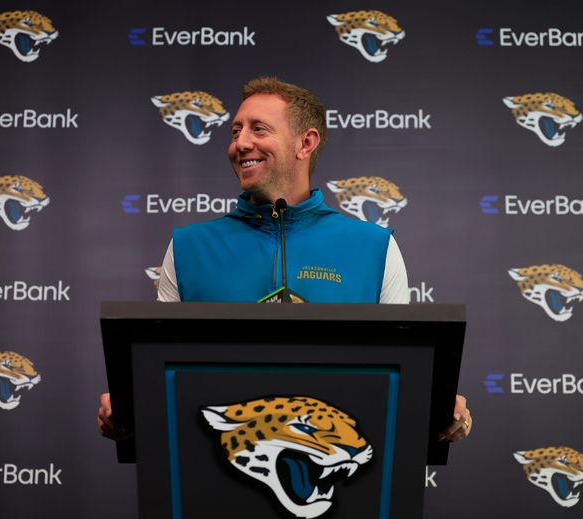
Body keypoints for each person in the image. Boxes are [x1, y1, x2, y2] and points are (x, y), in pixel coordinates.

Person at [98, 76, 472, 442]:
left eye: (258, 130)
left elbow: (403, 374)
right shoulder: (187, 247)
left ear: (305, 143)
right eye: (235, 131)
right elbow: (161, 374)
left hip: (344, 474)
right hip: (210, 476)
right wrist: (129, 405)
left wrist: (439, 407)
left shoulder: (375, 247)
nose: (240, 143)